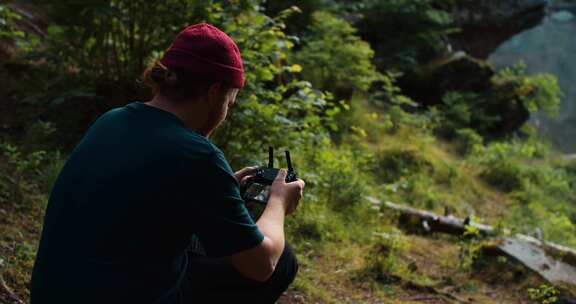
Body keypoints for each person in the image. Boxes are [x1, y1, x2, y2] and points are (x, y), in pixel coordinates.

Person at [30, 23, 305, 304]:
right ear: (214, 92)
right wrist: (278, 203)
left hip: (51, 293)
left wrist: (220, 191)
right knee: (282, 262)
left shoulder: (111, 120)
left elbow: (139, 201)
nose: (224, 113)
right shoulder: (198, 155)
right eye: (229, 103)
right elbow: (262, 266)